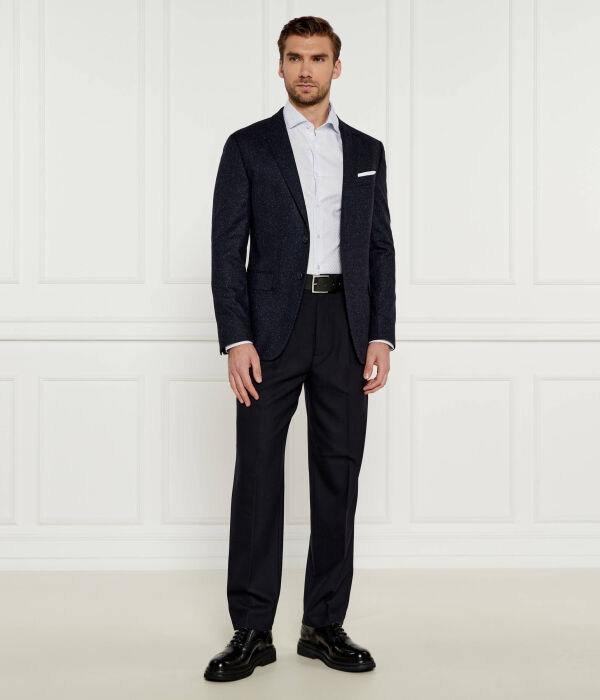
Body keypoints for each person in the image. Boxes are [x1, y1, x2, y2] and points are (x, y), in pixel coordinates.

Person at [205, 15, 396, 682]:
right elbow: (226, 251)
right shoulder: (248, 147)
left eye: (317, 58)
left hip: (345, 325)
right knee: (258, 473)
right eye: (295, 57)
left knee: (338, 474)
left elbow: (379, 248)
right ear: (280, 65)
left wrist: (380, 333)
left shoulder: (368, 150)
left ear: (336, 67)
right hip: (270, 332)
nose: (306, 69)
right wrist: (237, 337)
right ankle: (252, 630)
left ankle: (324, 625)